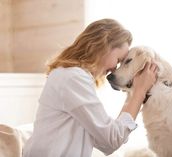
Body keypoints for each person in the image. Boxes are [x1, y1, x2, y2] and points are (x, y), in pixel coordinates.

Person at [23, 18, 157, 157]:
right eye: (118, 60)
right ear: (103, 46)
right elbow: (111, 139)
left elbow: (106, 141)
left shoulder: (70, 76)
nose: (114, 69)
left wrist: (134, 92)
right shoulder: (73, 78)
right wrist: (139, 93)